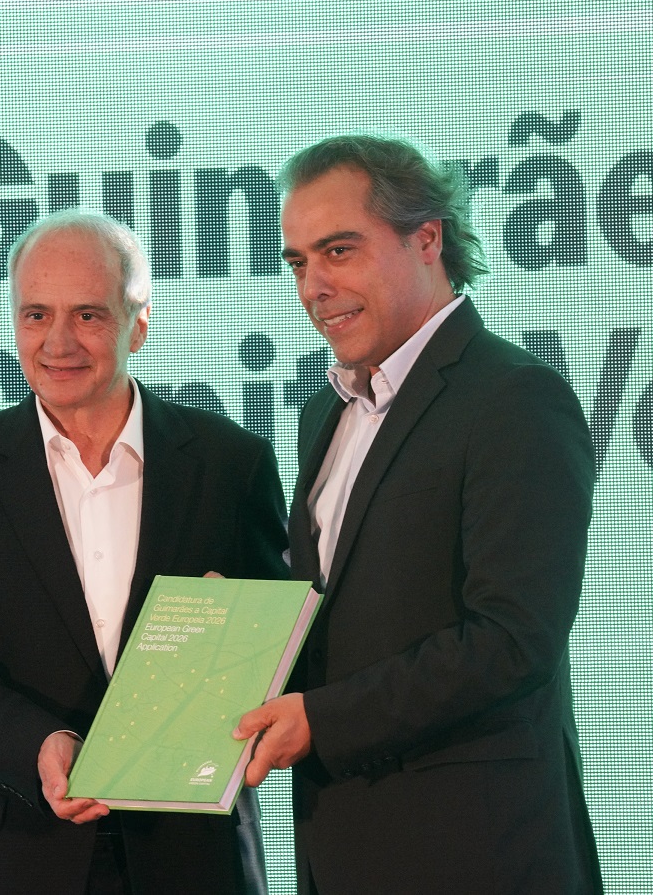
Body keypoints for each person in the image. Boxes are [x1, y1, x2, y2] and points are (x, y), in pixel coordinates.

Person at [234, 134, 604, 893]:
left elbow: (512, 639)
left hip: (475, 854)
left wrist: (324, 721)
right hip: (343, 848)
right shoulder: (325, 414)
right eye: (298, 263)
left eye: (339, 251)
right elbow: (347, 614)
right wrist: (239, 625)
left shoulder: (512, 397)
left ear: (427, 238)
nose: (314, 286)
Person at [0, 210, 288, 895]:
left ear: (140, 324)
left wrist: (238, 640)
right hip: (14, 850)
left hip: (191, 853)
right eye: (36, 315)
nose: (58, 342)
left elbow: (283, 638)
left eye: (89, 315)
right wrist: (35, 744)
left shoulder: (230, 464)